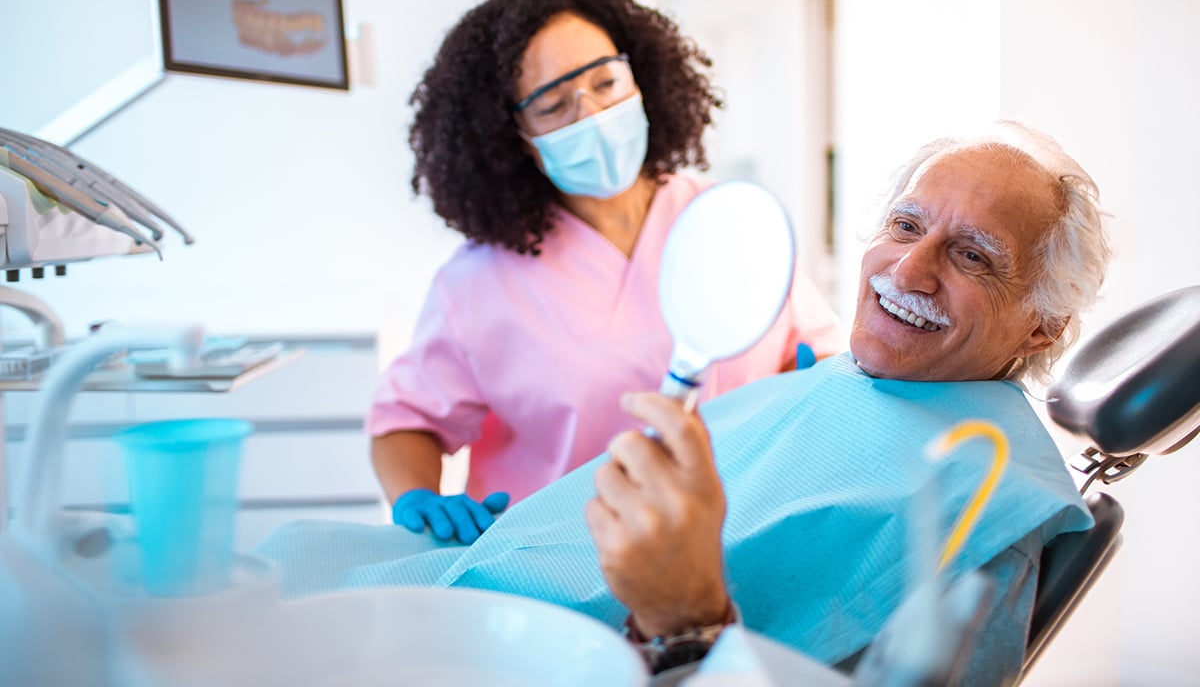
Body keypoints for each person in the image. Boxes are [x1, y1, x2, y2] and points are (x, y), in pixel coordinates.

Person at [258, 119, 1108, 686]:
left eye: (974, 256)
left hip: (520, 649)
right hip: (471, 580)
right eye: (905, 225)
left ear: (1043, 329)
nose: (910, 271)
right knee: (267, 568)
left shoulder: (989, 501)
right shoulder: (848, 377)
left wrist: (689, 626)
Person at [367, 0, 844, 544]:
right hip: (559, 562)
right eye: (552, 104)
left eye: (606, 81)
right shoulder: (475, 284)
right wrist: (420, 497)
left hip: (744, 539)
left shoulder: (726, 220)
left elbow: (816, 355)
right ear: (513, 133)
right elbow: (406, 423)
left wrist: (814, 389)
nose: (591, 113)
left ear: (640, 75)